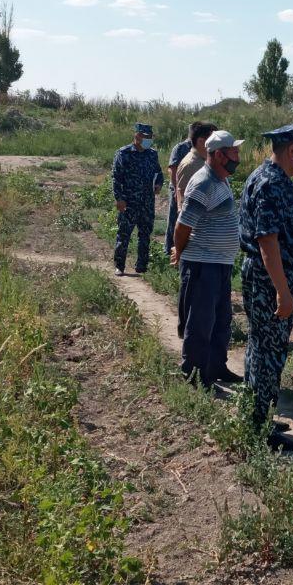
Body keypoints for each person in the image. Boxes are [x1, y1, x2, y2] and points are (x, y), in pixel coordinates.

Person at [238, 114, 293, 451]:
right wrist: (282, 291)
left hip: (274, 280)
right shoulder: (270, 183)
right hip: (269, 282)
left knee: (264, 349)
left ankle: (258, 416)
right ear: (291, 151)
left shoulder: (276, 179)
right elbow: (267, 242)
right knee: (267, 353)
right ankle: (259, 431)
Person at [171, 129, 244, 388]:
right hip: (203, 264)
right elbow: (183, 225)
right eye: (234, 152)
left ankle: (216, 367)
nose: (238, 156)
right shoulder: (204, 182)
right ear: (219, 155)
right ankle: (194, 375)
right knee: (200, 323)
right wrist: (179, 251)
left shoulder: (220, 179)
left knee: (221, 321)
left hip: (219, 263)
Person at [111, 122, 164, 275]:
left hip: (147, 201)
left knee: (145, 234)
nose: (149, 140)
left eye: (150, 137)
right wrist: (119, 199)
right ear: (137, 135)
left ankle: (142, 267)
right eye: (146, 136)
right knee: (124, 233)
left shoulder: (152, 154)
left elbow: (158, 173)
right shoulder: (124, 153)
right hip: (129, 201)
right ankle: (119, 266)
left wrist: (159, 184)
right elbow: (116, 178)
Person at [165, 122, 215, 257]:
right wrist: (176, 191)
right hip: (180, 195)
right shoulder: (188, 159)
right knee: (174, 223)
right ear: (200, 140)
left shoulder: (205, 159)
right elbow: (173, 170)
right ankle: (171, 251)